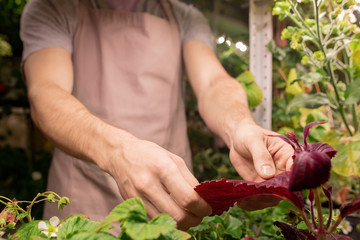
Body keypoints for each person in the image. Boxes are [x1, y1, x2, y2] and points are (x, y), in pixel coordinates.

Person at [20, 0, 293, 232]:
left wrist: (240, 127)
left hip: (170, 204)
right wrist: (117, 152)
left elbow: (212, 83)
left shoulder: (184, 16)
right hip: (82, 209)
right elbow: (46, 93)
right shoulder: (53, 7)